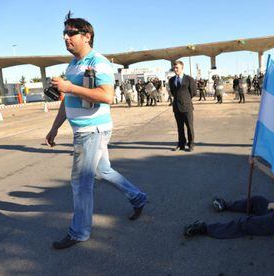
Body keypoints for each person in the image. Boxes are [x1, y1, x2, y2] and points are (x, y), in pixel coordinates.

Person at [45, 13, 147, 250]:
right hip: (85, 129)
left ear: (87, 36)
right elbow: (67, 99)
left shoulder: (98, 62)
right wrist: (54, 127)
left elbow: (107, 96)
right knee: (103, 170)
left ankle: (79, 232)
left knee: (80, 183)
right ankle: (138, 197)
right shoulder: (72, 65)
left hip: (91, 130)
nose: (66, 38)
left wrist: (69, 86)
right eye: (65, 33)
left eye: (71, 33)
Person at [183, 164, 274, 239]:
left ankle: (205, 229)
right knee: (257, 200)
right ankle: (225, 205)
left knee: (245, 223)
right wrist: (257, 164)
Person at [169, 60, 197, 151]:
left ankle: (191, 143)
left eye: (177, 67)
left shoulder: (189, 79)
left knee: (189, 126)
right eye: (174, 68)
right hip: (176, 107)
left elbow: (193, 92)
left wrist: (186, 99)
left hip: (187, 107)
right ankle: (181, 144)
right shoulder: (171, 80)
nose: (175, 69)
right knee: (179, 127)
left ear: (182, 68)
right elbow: (173, 93)